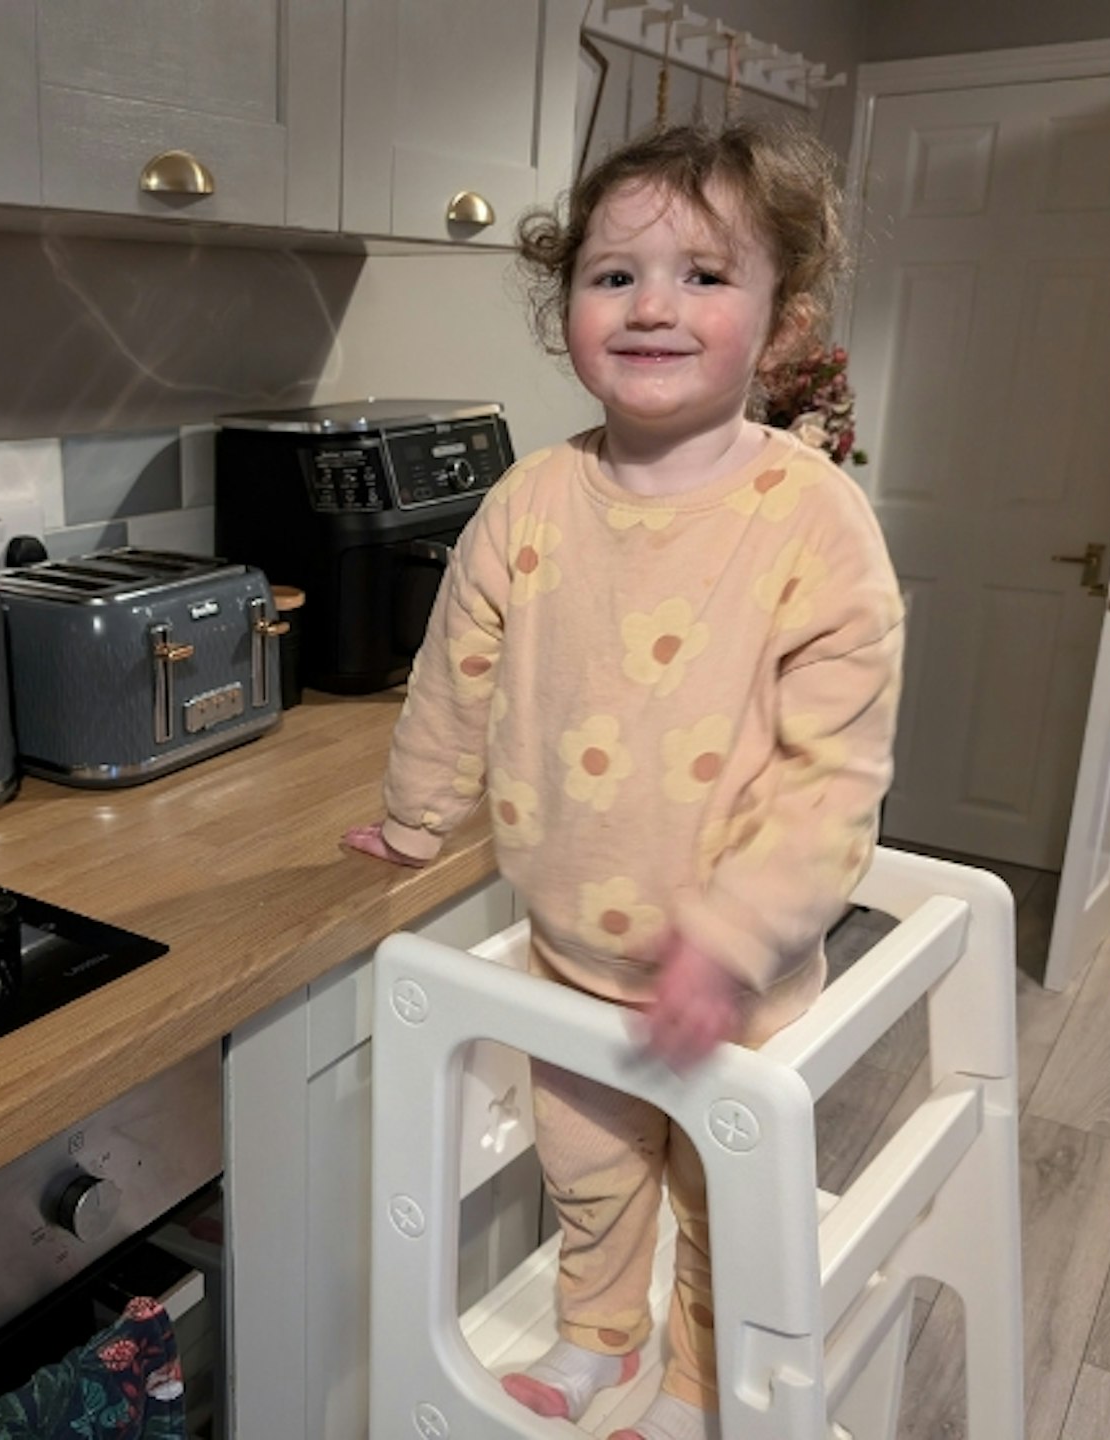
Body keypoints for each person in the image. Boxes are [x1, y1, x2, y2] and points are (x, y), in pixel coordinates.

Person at [342, 117, 904, 1440]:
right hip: (572, 960)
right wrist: (417, 821)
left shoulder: (817, 520)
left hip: (742, 987)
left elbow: (838, 775)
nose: (655, 305)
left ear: (779, 324)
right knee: (589, 1176)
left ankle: (705, 1383)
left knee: (720, 1200)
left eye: (706, 276)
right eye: (613, 275)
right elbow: (451, 676)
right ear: (566, 309)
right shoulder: (530, 502)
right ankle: (602, 1336)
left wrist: (735, 937)